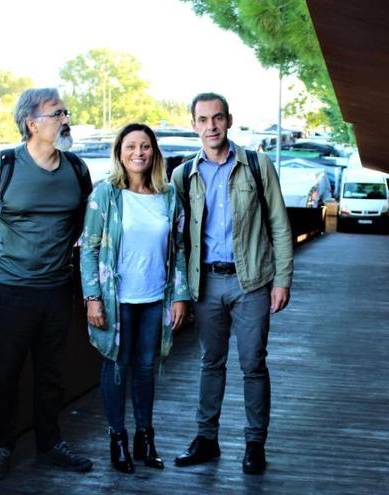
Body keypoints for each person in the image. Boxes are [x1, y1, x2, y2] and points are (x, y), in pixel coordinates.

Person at [0, 87, 93, 481]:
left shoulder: (76, 169)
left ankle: (50, 444)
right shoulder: (3, 165)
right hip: (10, 292)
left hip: (57, 290)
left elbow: (87, 229)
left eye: (65, 112)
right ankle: (1, 447)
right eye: (57, 114)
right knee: (6, 374)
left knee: (51, 374)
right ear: (31, 123)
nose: (65, 119)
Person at [171, 92, 294, 475]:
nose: (211, 126)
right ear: (194, 125)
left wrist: (282, 279)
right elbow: (177, 238)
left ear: (229, 120)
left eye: (217, 118)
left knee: (253, 364)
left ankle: (255, 443)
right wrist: (180, 291)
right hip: (206, 283)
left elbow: (279, 223)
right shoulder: (183, 175)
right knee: (211, 362)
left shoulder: (257, 165)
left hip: (251, 281)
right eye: (203, 120)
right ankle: (207, 439)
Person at [80, 123, 191, 474]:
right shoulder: (105, 195)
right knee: (116, 366)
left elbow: (180, 248)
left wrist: (180, 296)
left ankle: (145, 437)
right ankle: (118, 439)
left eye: (145, 146)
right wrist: (92, 297)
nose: (138, 153)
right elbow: (89, 248)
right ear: (119, 152)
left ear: (154, 153)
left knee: (146, 369)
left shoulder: (169, 196)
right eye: (131, 146)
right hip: (117, 299)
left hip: (156, 296)